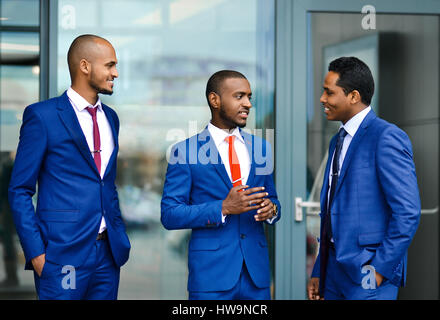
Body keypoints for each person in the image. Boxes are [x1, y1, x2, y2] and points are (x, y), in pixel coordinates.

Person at [8, 34, 131, 300]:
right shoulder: (42, 116)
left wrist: (117, 231)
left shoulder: (112, 118)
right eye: (109, 65)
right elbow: (19, 190)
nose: (116, 73)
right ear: (85, 66)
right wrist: (37, 254)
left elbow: (106, 183)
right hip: (61, 256)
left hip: (108, 256)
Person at [161, 70, 281, 300]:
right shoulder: (185, 152)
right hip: (211, 277)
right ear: (215, 100)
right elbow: (170, 214)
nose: (247, 103)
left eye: (249, 97)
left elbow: (273, 199)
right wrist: (223, 208)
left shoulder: (261, 148)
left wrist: (272, 209)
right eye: (239, 96)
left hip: (256, 276)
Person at [307, 57, 421, 300]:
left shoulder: (386, 137)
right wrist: (320, 268)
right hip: (334, 272)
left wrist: (378, 270)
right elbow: (330, 213)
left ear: (354, 96)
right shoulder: (336, 140)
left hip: (367, 274)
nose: (322, 99)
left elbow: (407, 212)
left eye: (329, 92)